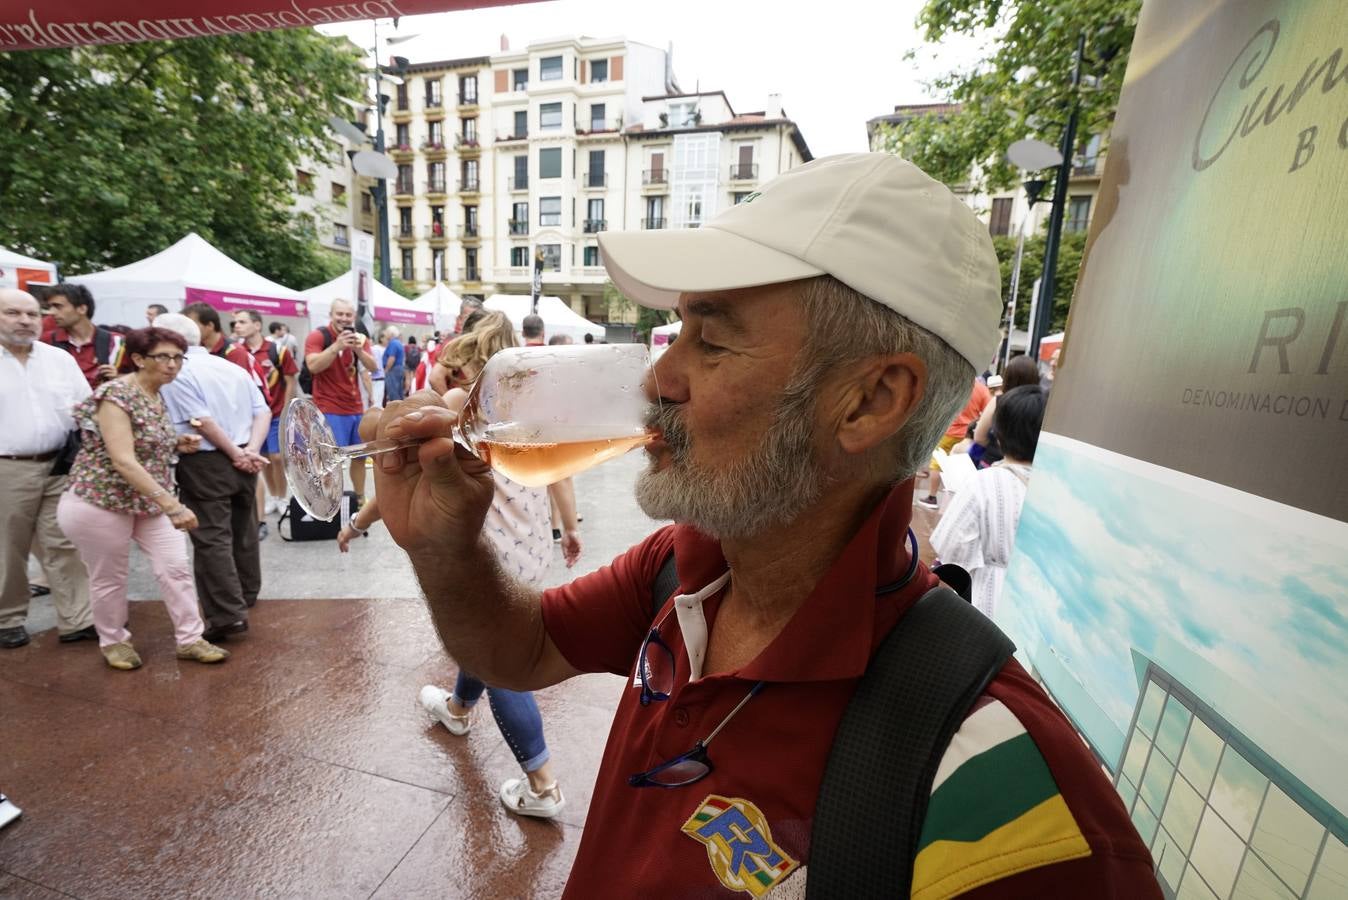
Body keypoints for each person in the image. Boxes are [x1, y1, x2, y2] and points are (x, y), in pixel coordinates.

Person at [367, 154, 1157, 896]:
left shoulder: (997, 785)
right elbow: (520, 646)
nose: (658, 376)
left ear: (872, 401)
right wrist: (445, 546)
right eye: (677, 330)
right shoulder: (683, 569)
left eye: (710, 340)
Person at [340, 311, 582, 818]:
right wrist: (570, 527)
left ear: (466, 360)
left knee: (502, 663)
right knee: (485, 637)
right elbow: (559, 474)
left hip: (488, 547)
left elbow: (406, 486)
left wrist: (357, 524)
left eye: (454, 362)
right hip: (530, 544)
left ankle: (543, 786)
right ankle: (457, 710)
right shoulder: (533, 404)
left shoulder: (458, 406)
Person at [55, 325, 229, 670]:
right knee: (109, 576)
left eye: (178, 357)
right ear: (137, 359)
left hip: (146, 501)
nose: (172, 365)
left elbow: (142, 443)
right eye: (163, 357)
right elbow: (122, 459)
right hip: (102, 500)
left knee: (175, 567)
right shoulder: (116, 394)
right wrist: (173, 505)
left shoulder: (156, 392)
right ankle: (114, 641)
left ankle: (190, 638)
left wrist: (177, 443)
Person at [156, 314, 269, 644]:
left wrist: (239, 452)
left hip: (209, 459)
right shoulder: (229, 367)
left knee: (212, 537)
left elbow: (201, 422)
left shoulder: (180, 373)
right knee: (242, 529)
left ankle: (227, 613)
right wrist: (250, 450)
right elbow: (261, 410)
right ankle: (245, 594)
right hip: (241, 455)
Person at [0, 289, 95, 649]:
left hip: (59, 464)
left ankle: (77, 619)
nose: (25, 321)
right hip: (8, 468)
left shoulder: (59, 360)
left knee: (64, 542)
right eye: (13, 313)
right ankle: (7, 618)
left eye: (33, 314)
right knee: (8, 548)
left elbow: (86, 408)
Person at [931, 385, 1048, 619]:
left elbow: (950, 547)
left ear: (999, 433)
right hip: (1036, 609)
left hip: (985, 601)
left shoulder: (983, 482)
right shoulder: (1052, 487)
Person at [304, 299, 377, 503]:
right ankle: (330, 501)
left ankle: (360, 498)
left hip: (356, 408)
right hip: (330, 408)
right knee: (330, 461)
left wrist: (359, 351)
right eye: (340, 314)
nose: (344, 319)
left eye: (348, 315)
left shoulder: (360, 339)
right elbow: (313, 366)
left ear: (353, 317)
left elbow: (373, 368)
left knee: (360, 458)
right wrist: (336, 346)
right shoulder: (319, 335)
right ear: (331, 314)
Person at [234, 310, 298, 519]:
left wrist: (287, 408)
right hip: (250, 416)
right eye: (235, 322)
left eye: (242, 322)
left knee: (278, 457)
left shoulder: (277, 350)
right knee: (261, 458)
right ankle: (272, 496)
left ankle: (282, 496)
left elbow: (290, 380)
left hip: (276, 412)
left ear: (257, 325)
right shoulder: (235, 351)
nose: (237, 326)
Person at [917, 374, 992, 509]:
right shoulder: (982, 389)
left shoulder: (955, 385)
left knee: (937, 464)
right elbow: (987, 410)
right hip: (968, 433)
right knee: (967, 466)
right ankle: (962, 500)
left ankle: (932, 497)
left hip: (949, 431)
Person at [42, 284, 123, 390]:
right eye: (50, 307)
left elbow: (143, 378)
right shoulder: (45, 341)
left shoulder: (118, 342)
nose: (51, 312)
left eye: (58, 306)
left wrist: (119, 377)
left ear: (82, 309)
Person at [966, 354, 1039, 466]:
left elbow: (979, 437)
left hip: (992, 462)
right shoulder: (1041, 404)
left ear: (1008, 377)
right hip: (1029, 468)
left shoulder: (998, 401)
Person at [382, 326, 406, 404]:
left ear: (391, 333)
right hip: (399, 368)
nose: (385, 335)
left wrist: (386, 370)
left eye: (387, 333)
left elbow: (391, 358)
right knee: (399, 391)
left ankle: (396, 410)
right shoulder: (398, 343)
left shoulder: (393, 343)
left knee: (393, 392)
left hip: (393, 369)